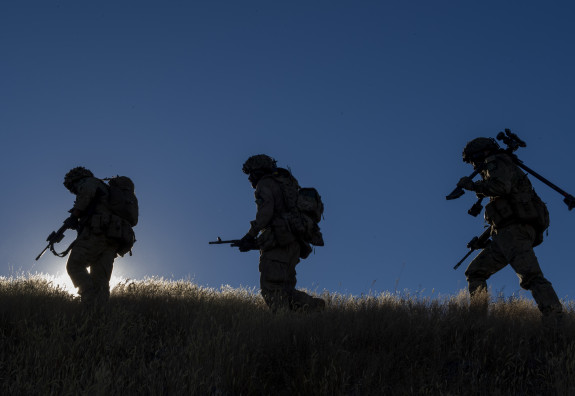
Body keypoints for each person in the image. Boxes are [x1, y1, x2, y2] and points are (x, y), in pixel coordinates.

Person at [456, 138, 563, 324]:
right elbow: (505, 212)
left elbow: (500, 188)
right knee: (475, 272)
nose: (474, 166)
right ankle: (477, 321)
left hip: (514, 233)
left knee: (531, 275)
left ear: (482, 153)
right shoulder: (501, 165)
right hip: (506, 235)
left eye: (473, 160)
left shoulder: (495, 162)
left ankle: (556, 321)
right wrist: (483, 239)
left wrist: (472, 186)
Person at [236, 154, 325, 313]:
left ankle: (285, 322)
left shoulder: (265, 184)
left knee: (272, 288)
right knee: (286, 289)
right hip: (294, 244)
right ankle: (313, 309)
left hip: (279, 242)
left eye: (251, 173)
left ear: (259, 171)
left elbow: (266, 213)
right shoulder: (288, 183)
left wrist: (250, 235)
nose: (250, 178)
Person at [62, 167, 134, 306]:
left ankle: (89, 299)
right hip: (113, 238)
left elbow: (86, 194)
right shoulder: (107, 191)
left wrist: (74, 215)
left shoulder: (89, 182)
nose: (74, 190)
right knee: (101, 278)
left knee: (75, 265)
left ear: (76, 179)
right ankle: (99, 313)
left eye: (72, 186)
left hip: (97, 233)